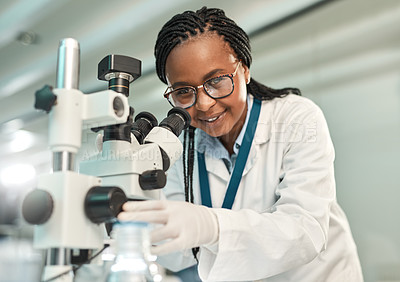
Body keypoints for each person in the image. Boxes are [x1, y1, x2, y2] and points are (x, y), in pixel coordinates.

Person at [118, 6, 363, 282]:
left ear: (244, 69)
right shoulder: (179, 147)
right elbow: (180, 253)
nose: (205, 103)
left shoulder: (297, 118)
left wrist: (212, 226)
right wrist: (139, 211)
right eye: (184, 91)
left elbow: (304, 230)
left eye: (217, 81)